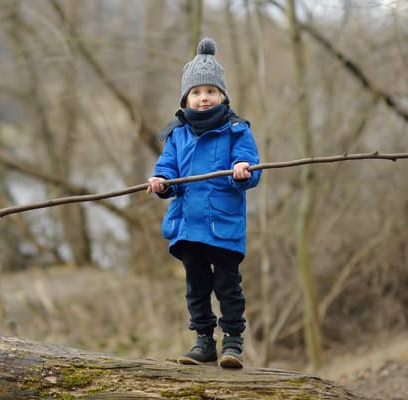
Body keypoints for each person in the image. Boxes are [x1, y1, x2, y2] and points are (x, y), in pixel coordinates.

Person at [147, 37, 261, 369]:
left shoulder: (237, 130)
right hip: (187, 225)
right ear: (186, 98)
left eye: (210, 91)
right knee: (196, 287)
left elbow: (250, 169)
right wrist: (160, 181)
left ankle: (233, 343)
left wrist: (242, 170)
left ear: (223, 96)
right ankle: (203, 341)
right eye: (196, 93)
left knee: (228, 286)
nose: (203, 98)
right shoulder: (176, 133)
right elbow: (166, 167)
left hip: (222, 225)